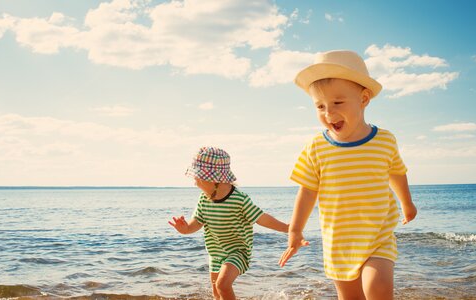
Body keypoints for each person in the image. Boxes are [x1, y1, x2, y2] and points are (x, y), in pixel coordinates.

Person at [278, 50, 417, 299]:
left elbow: (397, 172)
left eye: (338, 103)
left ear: (364, 99)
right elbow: (308, 191)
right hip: (339, 243)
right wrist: (295, 230)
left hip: (378, 236)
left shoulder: (384, 140)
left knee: (378, 289)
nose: (328, 113)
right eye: (320, 106)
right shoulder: (316, 147)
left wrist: (407, 204)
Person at [169, 146, 293, 300]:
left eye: (197, 178)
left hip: (238, 252)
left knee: (223, 285)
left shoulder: (239, 199)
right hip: (215, 253)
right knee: (217, 294)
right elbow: (196, 223)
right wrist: (185, 228)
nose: (195, 182)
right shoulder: (204, 199)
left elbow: (262, 218)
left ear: (213, 179)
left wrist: (289, 228)